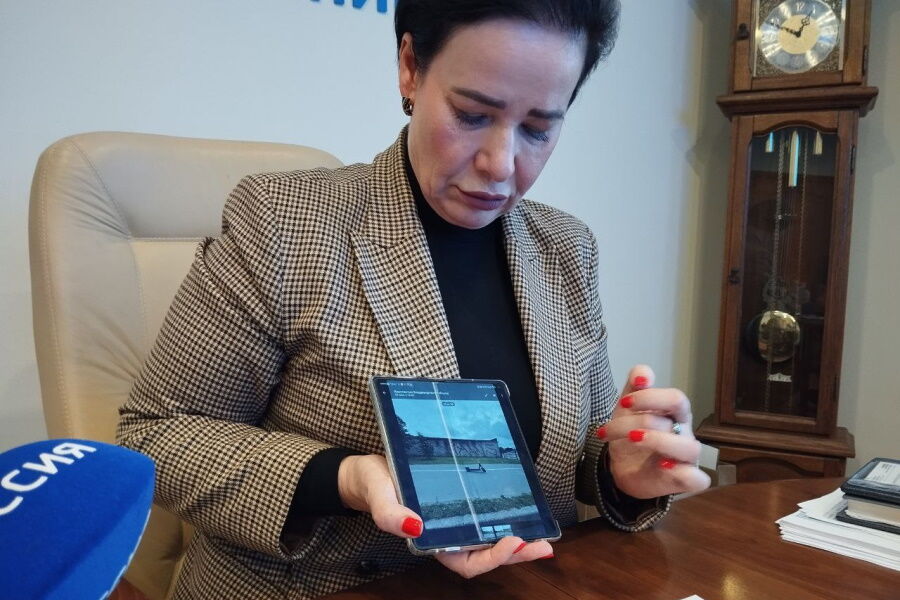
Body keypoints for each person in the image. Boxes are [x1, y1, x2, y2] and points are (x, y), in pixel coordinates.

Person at [117, 1, 710, 598]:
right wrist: (346, 478)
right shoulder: (285, 221)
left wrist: (619, 471)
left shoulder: (565, 248)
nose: (500, 164)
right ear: (410, 66)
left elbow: (569, 457)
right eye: (472, 114)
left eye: (538, 128)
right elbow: (153, 436)